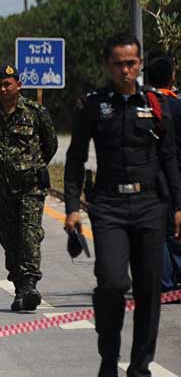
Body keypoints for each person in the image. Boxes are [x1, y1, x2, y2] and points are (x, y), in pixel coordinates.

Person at [64, 33, 181, 376]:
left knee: (149, 288)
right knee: (113, 284)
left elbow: (170, 159)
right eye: (118, 64)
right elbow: (75, 159)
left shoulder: (156, 105)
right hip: (110, 206)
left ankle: (140, 367)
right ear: (107, 65)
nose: (125, 70)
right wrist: (72, 206)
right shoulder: (93, 105)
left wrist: (177, 206)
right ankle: (108, 357)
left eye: (131, 63)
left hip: (150, 205)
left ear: (140, 64)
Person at [0, 63, 58, 311]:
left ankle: (29, 285)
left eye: (7, 84)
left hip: (30, 188)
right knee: (9, 238)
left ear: (18, 85)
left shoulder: (35, 112)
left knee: (29, 234)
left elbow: (51, 144)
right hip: (1, 188)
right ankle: (19, 287)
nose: (3, 89)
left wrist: (31, 165)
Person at [145, 52, 181, 295]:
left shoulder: (141, 105)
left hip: (150, 179)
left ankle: (166, 283)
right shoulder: (178, 105)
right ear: (173, 77)